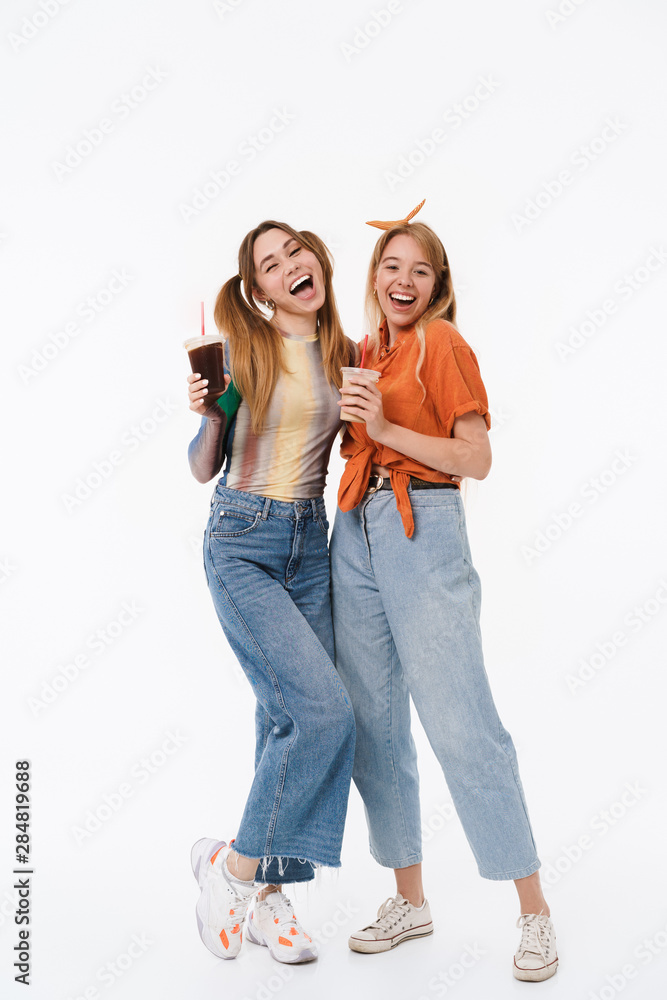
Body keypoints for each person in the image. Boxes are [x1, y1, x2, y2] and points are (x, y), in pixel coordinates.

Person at [329, 201, 558, 982]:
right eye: (390, 266)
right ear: (374, 278)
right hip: (353, 529)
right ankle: (410, 900)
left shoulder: (439, 341)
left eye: (418, 270)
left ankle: (533, 912)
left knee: (461, 720)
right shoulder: (370, 351)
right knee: (375, 723)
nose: (402, 279)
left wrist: (385, 433)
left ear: (436, 285)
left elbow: (477, 458)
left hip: (418, 528)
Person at [187, 220, 357, 966]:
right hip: (241, 539)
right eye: (270, 263)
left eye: (296, 251)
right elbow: (201, 468)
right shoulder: (244, 356)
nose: (290, 265)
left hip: (309, 548)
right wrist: (206, 414)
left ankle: (268, 898)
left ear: (317, 262)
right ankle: (229, 868)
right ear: (258, 292)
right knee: (324, 712)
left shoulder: (345, 354)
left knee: (283, 719)